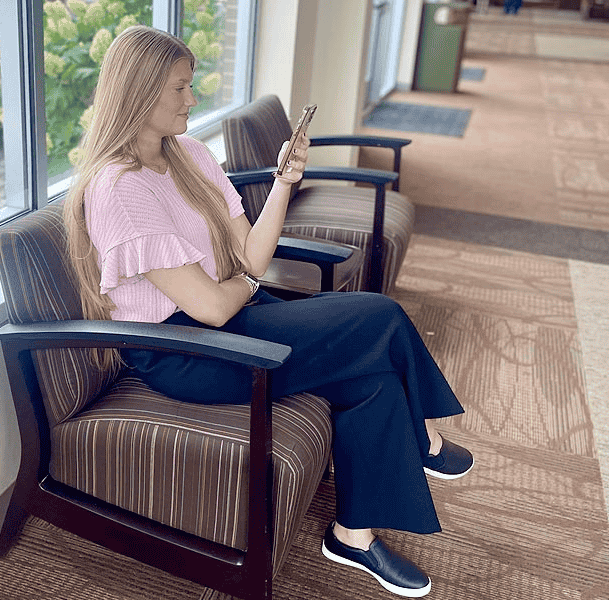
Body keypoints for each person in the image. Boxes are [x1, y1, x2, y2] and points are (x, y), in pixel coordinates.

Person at [64, 25, 474, 599]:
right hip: (185, 354)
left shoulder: (190, 155)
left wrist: (284, 182)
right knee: (378, 316)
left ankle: (351, 536)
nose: (192, 98)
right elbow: (208, 307)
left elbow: (252, 257)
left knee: (373, 376)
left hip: (236, 314)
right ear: (139, 92)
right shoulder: (118, 190)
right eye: (180, 88)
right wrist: (240, 282)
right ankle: (422, 438)